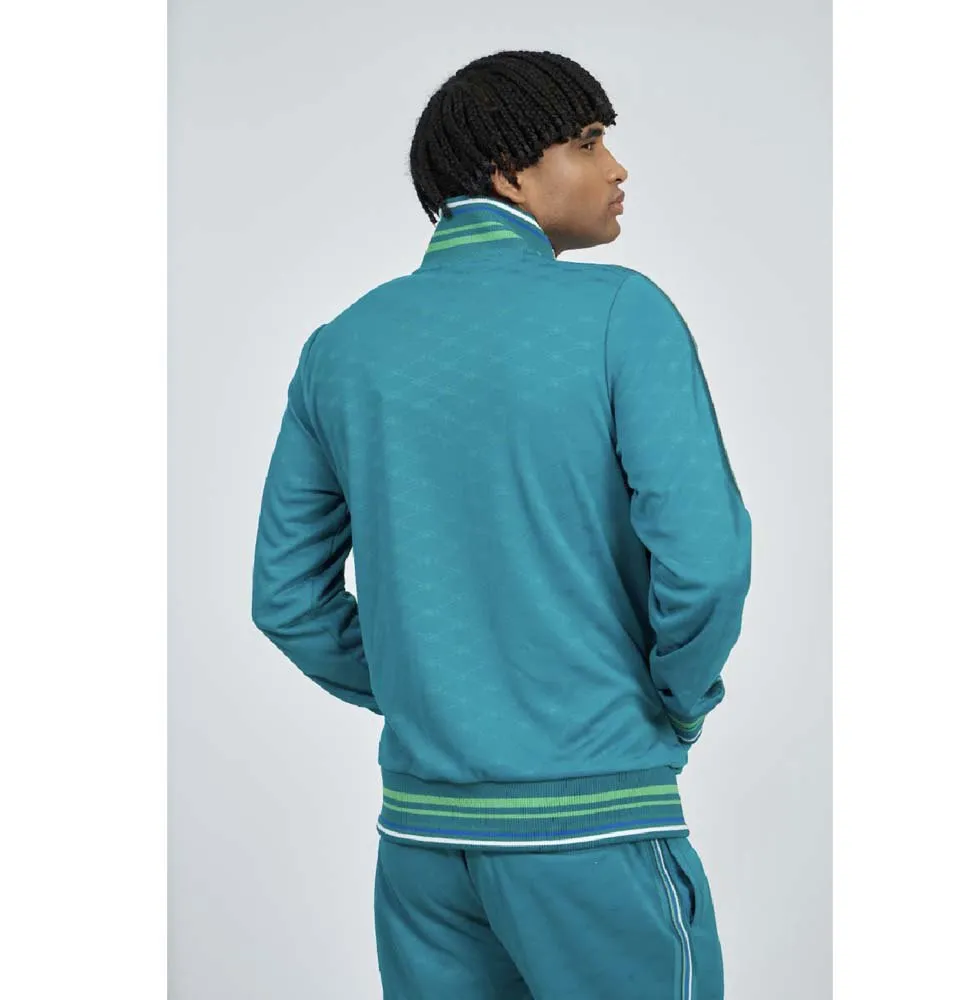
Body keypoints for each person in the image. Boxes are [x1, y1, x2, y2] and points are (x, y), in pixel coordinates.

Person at [251, 48, 752, 1000]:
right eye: (588, 142)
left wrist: (438, 692)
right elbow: (708, 561)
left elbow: (286, 599)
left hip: (422, 847)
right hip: (592, 826)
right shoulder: (623, 313)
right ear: (509, 175)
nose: (617, 168)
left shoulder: (341, 347)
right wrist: (677, 701)